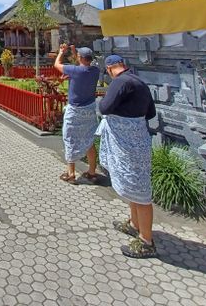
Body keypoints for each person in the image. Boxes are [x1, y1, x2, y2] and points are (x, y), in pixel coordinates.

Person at [97, 54, 158, 258]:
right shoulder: (139, 81)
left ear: (109, 69)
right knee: (134, 185)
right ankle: (134, 224)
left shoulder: (119, 82)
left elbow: (105, 107)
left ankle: (146, 241)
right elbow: (151, 113)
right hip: (139, 137)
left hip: (127, 142)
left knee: (140, 190)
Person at [54, 44, 102, 184]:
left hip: (75, 110)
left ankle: (71, 173)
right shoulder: (94, 71)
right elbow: (80, 64)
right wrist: (75, 52)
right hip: (89, 110)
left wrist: (61, 52)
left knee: (70, 139)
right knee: (89, 140)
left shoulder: (74, 71)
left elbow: (57, 64)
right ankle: (92, 173)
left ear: (80, 57)